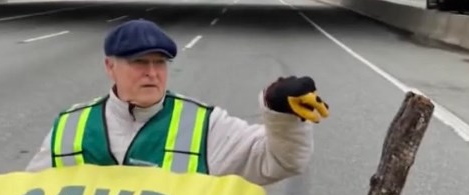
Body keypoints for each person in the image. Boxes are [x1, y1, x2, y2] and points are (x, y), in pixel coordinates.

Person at [26, 19, 330, 186]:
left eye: (160, 63)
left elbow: (281, 162)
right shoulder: (71, 126)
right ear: (110, 67)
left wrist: (280, 114)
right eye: (139, 62)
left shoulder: (202, 124)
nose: (152, 73)